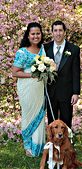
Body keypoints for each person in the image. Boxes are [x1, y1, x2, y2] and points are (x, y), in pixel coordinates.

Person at [12, 22, 46, 157]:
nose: (36, 36)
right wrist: (32, 74)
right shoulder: (22, 52)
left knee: (40, 115)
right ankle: (28, 146)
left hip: (40, 89)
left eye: (38, 33)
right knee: (28, 115)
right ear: (28, 35)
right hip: (27, 88)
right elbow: (15, 72)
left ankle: (39, 145)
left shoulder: (43, 50)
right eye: (33, 34)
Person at [44, 20, 80, 128]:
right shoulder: (45, 48)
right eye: (55, 30)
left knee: (66, 119)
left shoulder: (73, 49)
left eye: (60, 30)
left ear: (64, 32)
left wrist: (76, 92)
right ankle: (53, 143)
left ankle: (67, 141)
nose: (58, 33)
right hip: (51, 92)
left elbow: (76, 72)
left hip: (67, 91)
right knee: (52, 120)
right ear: (52, 32)